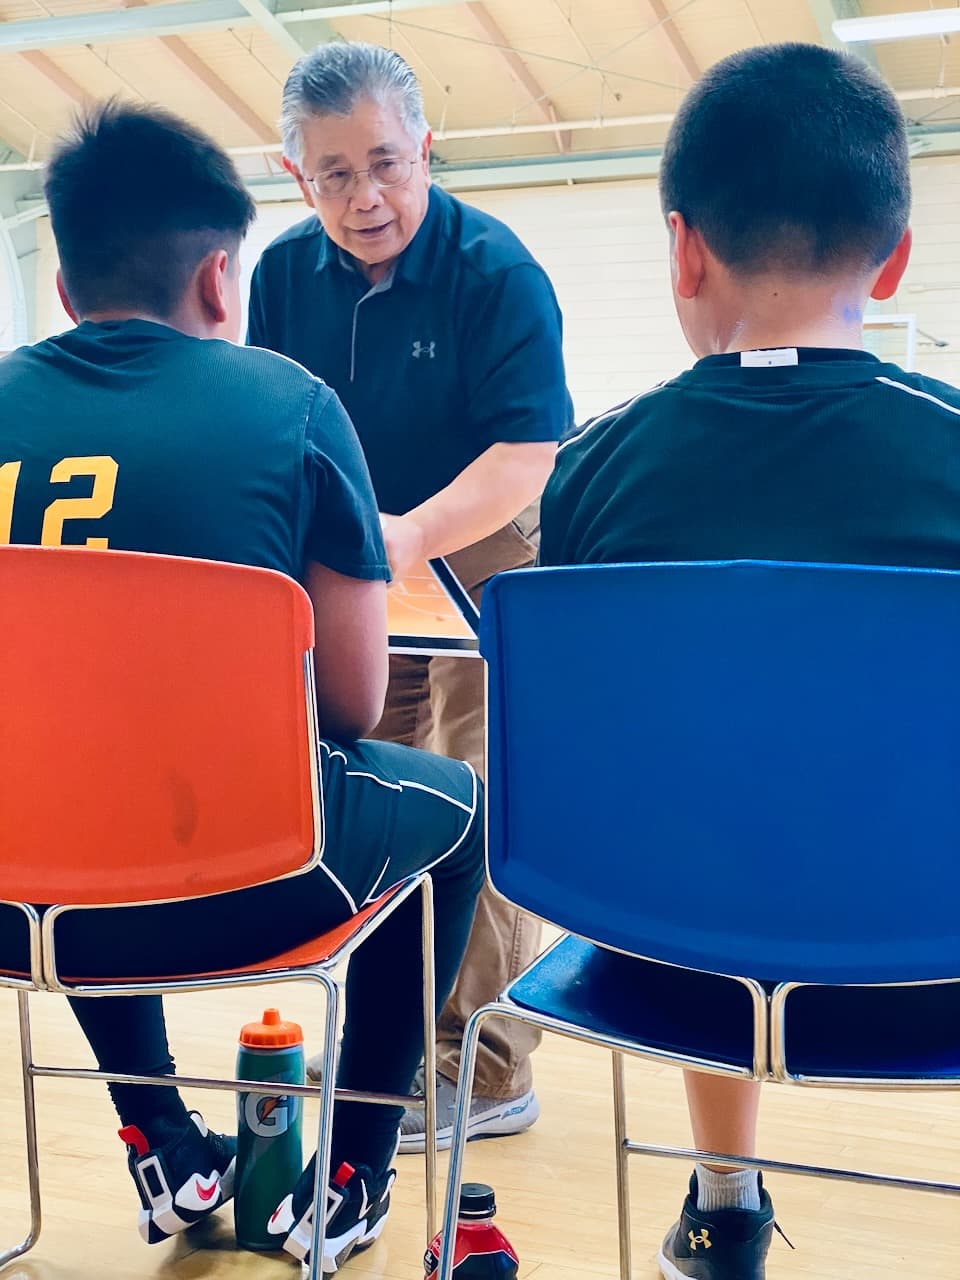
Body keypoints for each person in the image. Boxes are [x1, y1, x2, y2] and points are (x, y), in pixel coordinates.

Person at [0, 100, 485, 1275]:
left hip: (13, 894)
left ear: (62, 285)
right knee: (458, 815)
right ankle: (360, 1166)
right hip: (252, 886)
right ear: (221, 280)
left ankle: (160, 1139)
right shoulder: (294, 407)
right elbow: (357, 708)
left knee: (58, 796)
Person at [539, 42, 957, 1280]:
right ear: (893, 258)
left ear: (683, 247)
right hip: (930, 942)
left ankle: (724, 1200)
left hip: (670, 948)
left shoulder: (596, 467)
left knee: (715, 821)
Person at [248, 41, 572, 1151]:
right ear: (298, 178)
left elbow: (528, 449)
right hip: (357, 560)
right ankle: (391, 1038)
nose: (365, 196)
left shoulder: (496, 270)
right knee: (375, 787)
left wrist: (413, 537)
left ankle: (483, 1065)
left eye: (385, 162)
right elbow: (274, 430)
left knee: (478, 800)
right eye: (334, 173)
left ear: (424, 148)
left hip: (481, 547)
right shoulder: (283, 275)